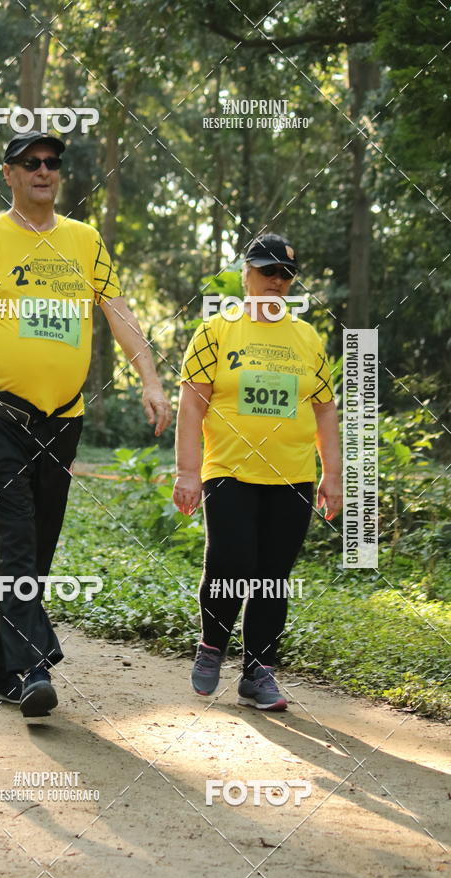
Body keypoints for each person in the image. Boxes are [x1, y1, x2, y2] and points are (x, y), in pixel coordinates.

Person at [0, 130, 172, 717]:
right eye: (31, 163)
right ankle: (31, 669)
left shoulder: (85, 241)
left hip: (62, 421)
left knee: (35, 551)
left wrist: (151, 379)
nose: (43, 171)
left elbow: (119, 315)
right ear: (9, 173)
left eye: (51, 163)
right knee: (19, 541)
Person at [173, 233, 342, 711]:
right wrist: (187, 471)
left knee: (273, 575)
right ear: (246, 274)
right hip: (229, 470)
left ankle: (258, 673)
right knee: (232, 561)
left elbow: (325, 410)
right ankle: (212, 644)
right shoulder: (217, 330)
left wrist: (333, 475)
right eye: (268, 271)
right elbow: (192, 404)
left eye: (286, 274)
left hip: (292, 476)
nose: (277, 281)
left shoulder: (306, 337)